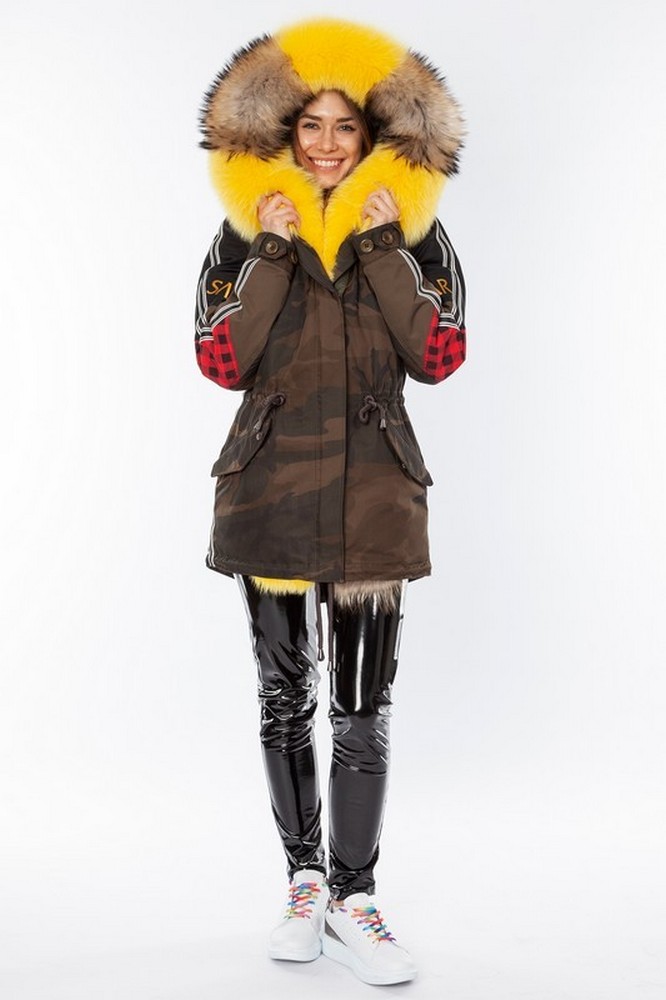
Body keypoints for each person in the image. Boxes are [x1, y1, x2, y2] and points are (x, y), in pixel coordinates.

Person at [194, 17, 467, 987]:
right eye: (308, 124)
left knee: (361, 709)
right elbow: (220, 362)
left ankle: (356, 895)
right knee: (284, 700)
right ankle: (304, 881)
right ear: (283, 131)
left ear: (374, 134)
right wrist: (271, 252)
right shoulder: (241, 234)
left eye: (344, 126)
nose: (324, 143)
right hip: (268, 492)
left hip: (375, 499)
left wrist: (385, 243)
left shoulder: (417, 232)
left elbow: (438, 356)